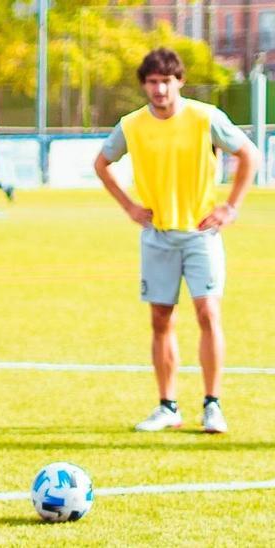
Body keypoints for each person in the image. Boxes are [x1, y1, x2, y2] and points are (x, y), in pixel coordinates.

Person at [93, 47, 256, 434]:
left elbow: (248, 155)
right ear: (144, 85)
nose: (159, 90)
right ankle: (167, 406)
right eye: (152, 82)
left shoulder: (205, 117)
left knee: (208, 313)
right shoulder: (131, 125)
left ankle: (212, 405)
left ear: (179, 81)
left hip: (201, 234)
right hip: (158, 237)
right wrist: (129, 207)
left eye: (166, 81)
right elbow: (102, 164)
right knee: (161, 319)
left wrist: (230, 207)